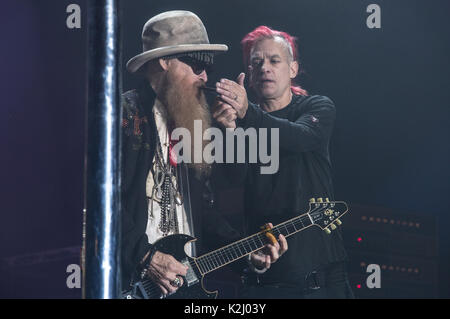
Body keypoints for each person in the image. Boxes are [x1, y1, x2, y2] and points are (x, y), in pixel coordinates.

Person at [121, 12, 286, 298]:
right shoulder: (124, 115)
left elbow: (205, 210)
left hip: (184, 287)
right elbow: (99, 204)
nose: (205, 77)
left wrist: (247, 253)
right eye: (197, 65)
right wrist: (146, 258)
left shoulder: (193, 123)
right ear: (164, 62)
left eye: (207, 68)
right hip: (133, 284)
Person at [213, 26, 354, 298]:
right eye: (257, 62)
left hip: (323, 282)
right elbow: (231, 179)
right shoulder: (240, 123)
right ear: (250, 75)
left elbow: (301, 137)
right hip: (265, 281)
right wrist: (229, 131)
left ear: (293, 69)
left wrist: (247, 112)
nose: (265, 67)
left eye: (274, 60)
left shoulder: (316, 107)